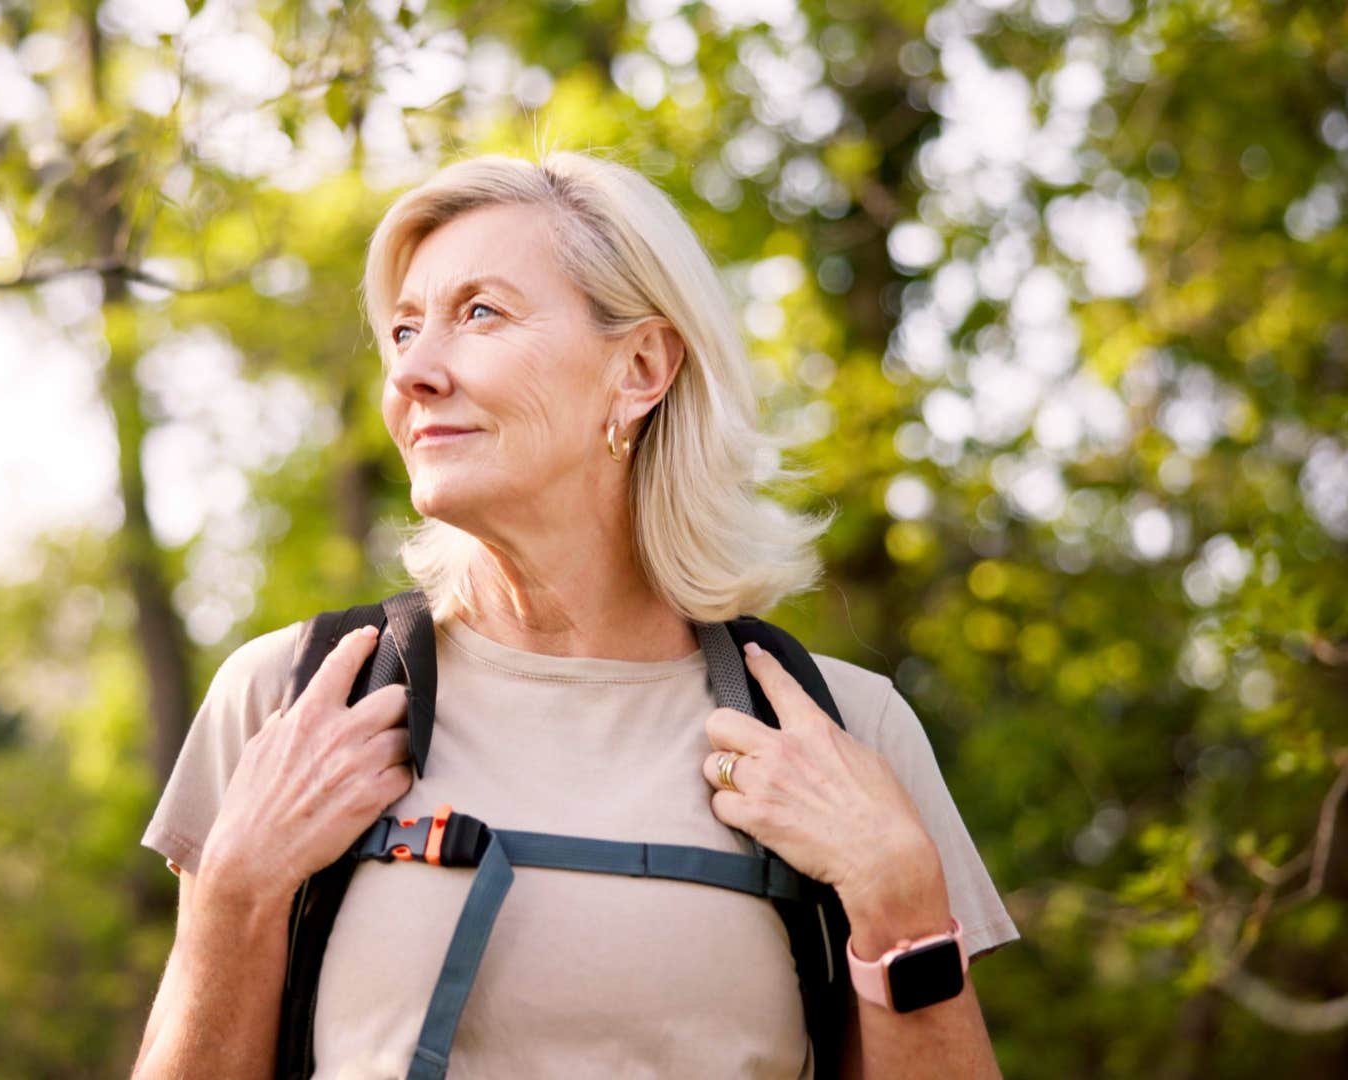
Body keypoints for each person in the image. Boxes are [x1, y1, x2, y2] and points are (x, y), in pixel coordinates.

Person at [130, 151, 1019, 1079]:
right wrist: (236, 894)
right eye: (402, 330)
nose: (415, 373)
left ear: (639, 367)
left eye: (480, 314)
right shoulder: (294, 699)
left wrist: (901, 900)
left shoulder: (843, 730)